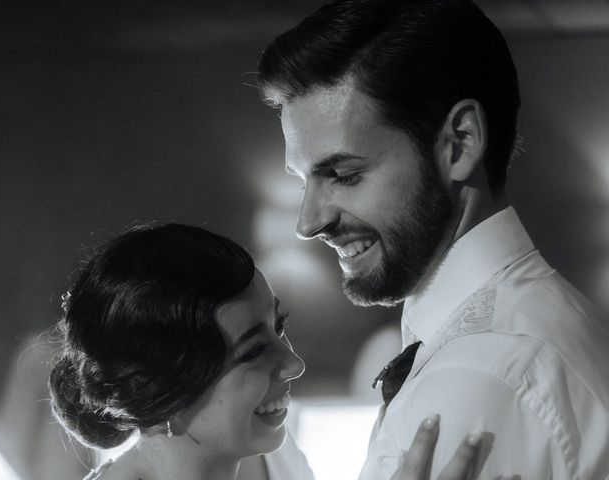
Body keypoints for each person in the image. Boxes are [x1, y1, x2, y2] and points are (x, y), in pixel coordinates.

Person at [257, 0, 609, 478]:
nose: (308, 222)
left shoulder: (478, 378)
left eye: (342, 174)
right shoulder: (527, 327)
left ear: (460, 143)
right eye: (303, 181)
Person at [48, 223, 491, 480]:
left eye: (280, 328)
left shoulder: (269, 457)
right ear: (161, 391)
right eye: (253, 350)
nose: (294, 363)